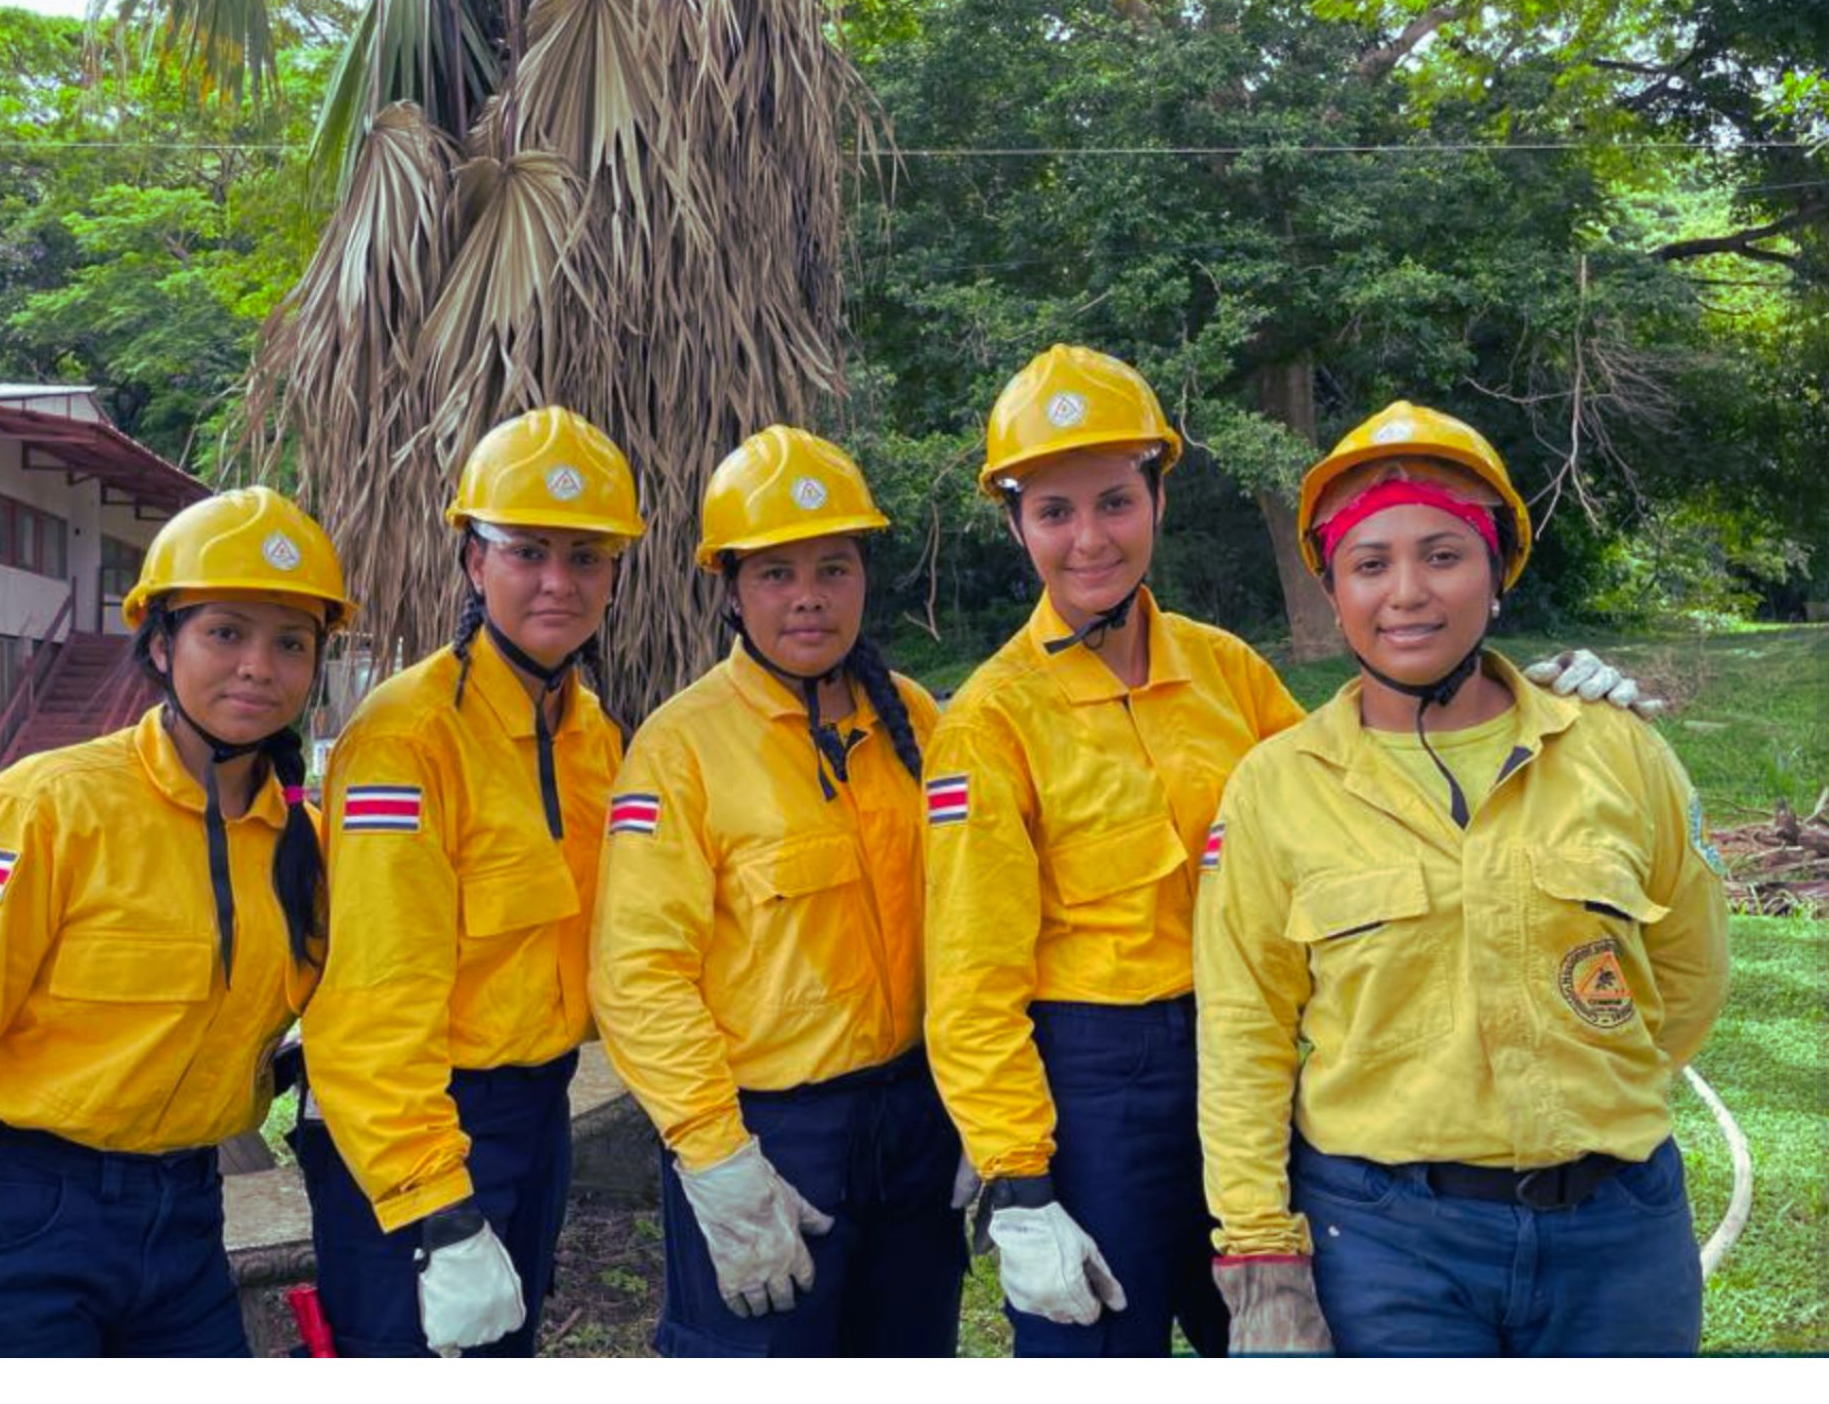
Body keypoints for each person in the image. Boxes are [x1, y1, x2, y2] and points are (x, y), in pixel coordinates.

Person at [921, 346, 1655, 1359]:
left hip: (1258, 1075)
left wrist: (1527, 698)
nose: (1087, 538)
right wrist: (1019, 1182)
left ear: (1155, 496)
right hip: (1099, 1094)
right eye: (1052, 512)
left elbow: (1362, 772)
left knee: (1281, 1343)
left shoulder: (1225, 672)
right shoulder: (990, 721)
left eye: (1112, 501)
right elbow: (969, 978)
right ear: (1014, 523)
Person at [1193, 401, 1729, 1357]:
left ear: (1496, 575)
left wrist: (1592, 1087)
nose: (1407, 592)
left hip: (1618, 1235)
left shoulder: (1616, 752)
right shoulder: (1278, 790)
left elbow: (1687, 976)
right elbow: (1244, 1033)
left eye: (1443, 555)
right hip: (1389, 1245)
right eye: (1370, 563)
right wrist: (1258, 1255)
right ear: (1333, 590)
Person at [0, 487, 352, 1356]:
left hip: (187, 1219)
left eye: (291, 642)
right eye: (226, 632)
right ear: (159, 641)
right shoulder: (41, 809)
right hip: (25, 1222)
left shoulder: (305, 842)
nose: (261, 666)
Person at [589, 426, 968, 1357]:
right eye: (774, 573)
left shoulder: (916, 719)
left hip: (918, 1120)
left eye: (833, 568)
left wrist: (976, 1105)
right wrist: (718, 1158)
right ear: (728, 589)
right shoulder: (679, 750)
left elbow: (974, 920)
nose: (808, 597)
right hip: (769, 1136)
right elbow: (638, 974)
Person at [294, 406, 644, 1357]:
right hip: (420, 1129)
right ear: (472, 561)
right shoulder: (406, 738)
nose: (558, 582)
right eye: (527, 550)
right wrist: (437, 1207)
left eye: (587, 556)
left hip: (538, 1110)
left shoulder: (594, 735)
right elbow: (372, 999)